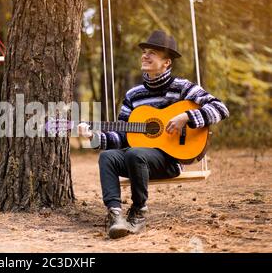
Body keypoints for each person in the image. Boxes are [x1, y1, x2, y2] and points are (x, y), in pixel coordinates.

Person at [78, 30, 230, 239]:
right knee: (108, 157)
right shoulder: (133, 95)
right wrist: (94, 137)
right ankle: (115, 215)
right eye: (144, 52)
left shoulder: (182, 88)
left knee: (135, 153)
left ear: (166, 62)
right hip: (137, 160)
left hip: (169, 161)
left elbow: (220, 108)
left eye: (152, 53)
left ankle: (139, 212)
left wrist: (186, 117)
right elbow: (123, 135)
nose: (145, 56)